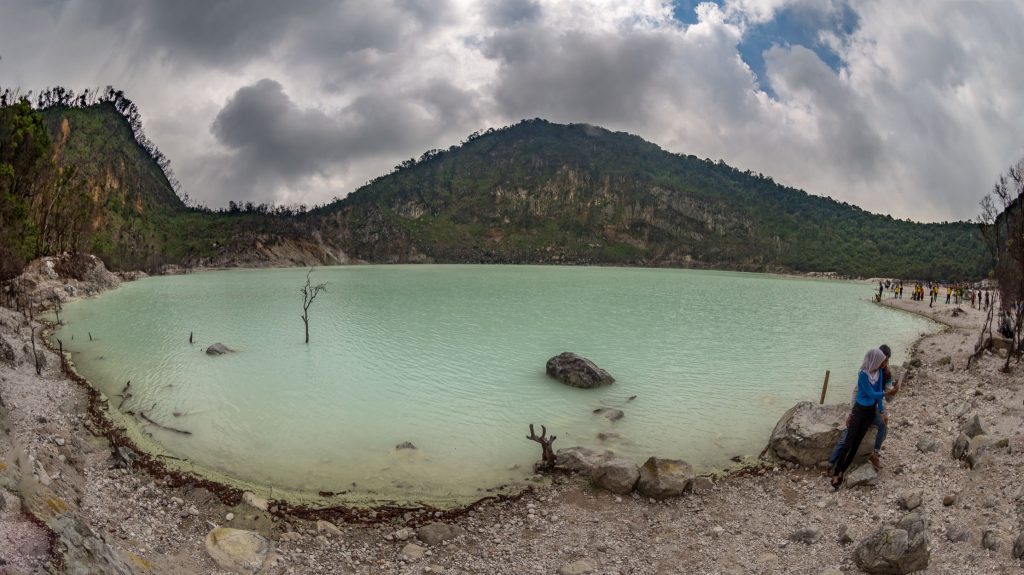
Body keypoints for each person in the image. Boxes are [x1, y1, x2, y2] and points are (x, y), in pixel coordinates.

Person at [827, 345, 899, 473]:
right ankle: (831, 462)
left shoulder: (886, 374)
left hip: (873, 408)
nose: (885, 363)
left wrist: (889, 397)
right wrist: (851, 413)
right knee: (847, 435)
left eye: (887, 360)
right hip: (860, 408)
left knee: (883, 425)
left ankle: (875, 454)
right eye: (883, 360)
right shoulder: (866, 372)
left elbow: (887, 398)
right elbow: (856, 393)